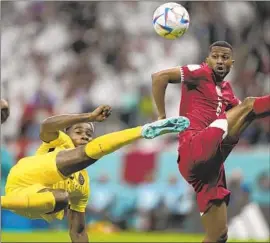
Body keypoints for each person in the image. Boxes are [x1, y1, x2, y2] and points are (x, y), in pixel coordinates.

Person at [1, 104, 189, 242]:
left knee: (62, 198)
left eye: (89, 134)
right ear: (67, 134)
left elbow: (79, 231)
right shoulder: (58, 141)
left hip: (27, 200)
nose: (84, 135)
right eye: (78, 131)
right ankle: (143, 131)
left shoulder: (82, 183)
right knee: (84, 153)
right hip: (23, 178)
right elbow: (47, 125)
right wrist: (88, 117)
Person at [151, 40, 270, 243]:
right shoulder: (199, 72)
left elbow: (248, 113)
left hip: (209, 168)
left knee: (219, 235)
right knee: (248, 105)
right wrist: (161, 117)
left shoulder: (227, 90)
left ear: (232, 63)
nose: (220, 61)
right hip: (194, 148)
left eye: (225, 58)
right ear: (207, 60)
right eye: (215, 56)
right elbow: (159, 77)